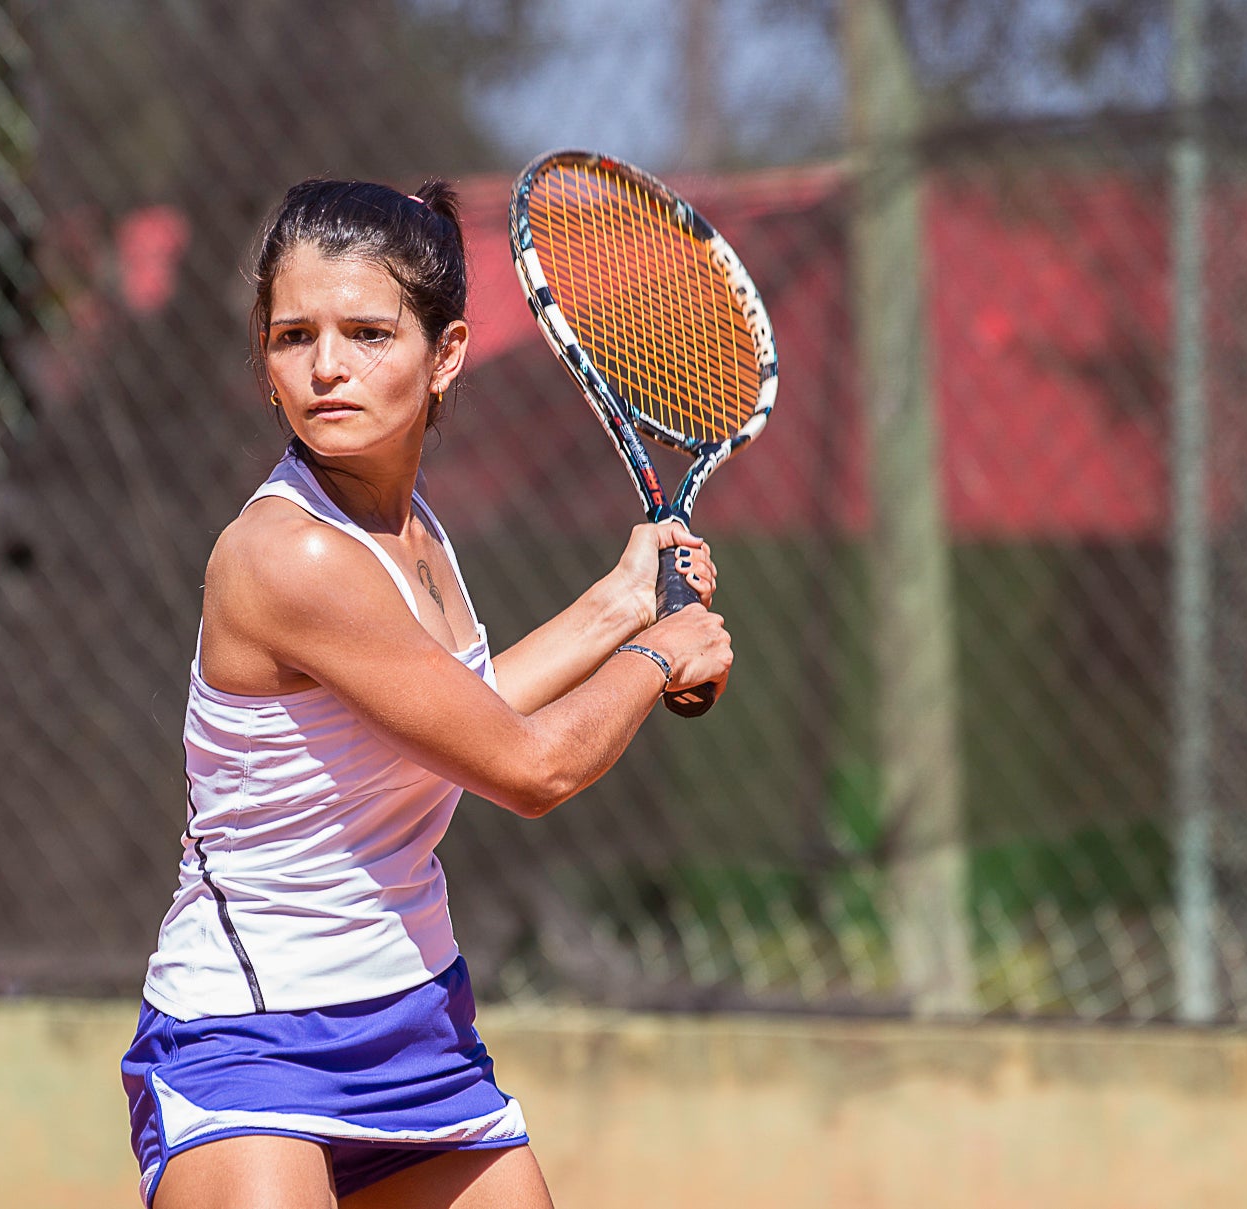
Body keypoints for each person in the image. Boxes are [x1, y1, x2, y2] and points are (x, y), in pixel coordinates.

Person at [121, 177, 732, 1209]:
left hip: (417, 1021)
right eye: (290, 336)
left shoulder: (412, 532)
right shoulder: (289, 556)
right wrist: (658, 657)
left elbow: (461, 710)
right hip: (252, 1041)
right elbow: (529, 768)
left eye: (365, 332)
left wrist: (621, 603)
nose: (323, 367)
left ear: (444, 354)